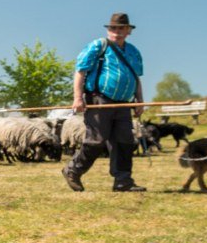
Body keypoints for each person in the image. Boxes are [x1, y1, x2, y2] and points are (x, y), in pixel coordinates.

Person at [62, 12, 146, 193]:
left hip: (123, 103)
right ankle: (73, 170)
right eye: (114, 28)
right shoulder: (99, 46)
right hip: (100, 100)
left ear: (128, 31)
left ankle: (123, 181)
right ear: (109, 30)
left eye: (121, 28)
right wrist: (77, 98)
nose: (117, 31)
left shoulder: (133, 52)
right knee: (96, 141)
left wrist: (140, 101)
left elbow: (136, 77)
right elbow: (80, 72)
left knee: (125, 142)